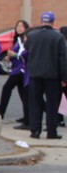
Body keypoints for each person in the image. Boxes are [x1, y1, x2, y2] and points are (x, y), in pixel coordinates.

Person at [25, 11, 67, 139]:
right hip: (53, 76)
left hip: (35, 75)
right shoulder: (58, 37)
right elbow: (63, 59)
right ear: (53, 22)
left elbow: (26, 51)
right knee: (52, 105)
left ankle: (35, 131)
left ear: (41, 21)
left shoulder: (31, 36)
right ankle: (51, 132)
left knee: (35, 103)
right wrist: (64, 78)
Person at [0, 20, 30, 122]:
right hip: (17, 68)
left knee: (7, 87)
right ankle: (27, 116)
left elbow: (25, 54)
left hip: (20, 70)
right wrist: (10, 57)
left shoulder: (25, 40)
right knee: (23, 94)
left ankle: (1, 111)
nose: (19, 28)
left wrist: (14, 55)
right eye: (18, 26)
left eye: (21, 26)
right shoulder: (17, 39)